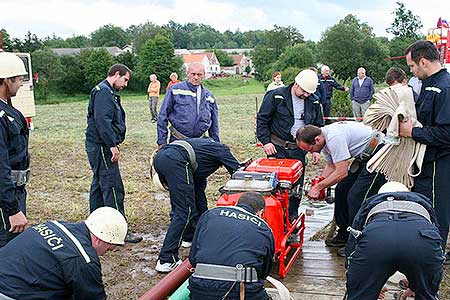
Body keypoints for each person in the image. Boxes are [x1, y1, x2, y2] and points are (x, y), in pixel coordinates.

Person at [151, 138, 241, 272]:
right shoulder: (222, 150)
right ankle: (166, 259)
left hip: (162, 157)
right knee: (184, 211)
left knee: (198, 203)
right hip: (176, 161)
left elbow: (199, 190)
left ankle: (190, 237)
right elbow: (239, 173)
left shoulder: (203, 149)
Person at [296, 122, 386, 255]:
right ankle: (344, 233)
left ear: (317, 139)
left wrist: (320, 186)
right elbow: (332, 167)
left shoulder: (334, 138)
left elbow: (342, 172)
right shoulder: (324, 141)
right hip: (364, 156)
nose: (311, 153)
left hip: (380, 153)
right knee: (341, 190)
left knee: (356, 197)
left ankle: (357, 243)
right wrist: (318, 183)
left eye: (310, 149)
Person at [0, 207, 128, 300]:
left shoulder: (54, 225)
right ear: (101, 239)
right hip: (11, 294)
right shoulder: (84, 259)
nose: (105, 253)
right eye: (109, 247)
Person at [345, 182, 444, 300]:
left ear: (380, 195)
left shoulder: (370, 204)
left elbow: (352, 245)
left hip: (376, 240)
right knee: (427, 295)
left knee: (359, 295)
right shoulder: (424, 204)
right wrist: (418, 284)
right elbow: (436, 239)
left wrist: (369, 282)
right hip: (421, 241)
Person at [399, 40, 450, 263]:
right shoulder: (430, 85)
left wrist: (412, 132)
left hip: (439, 164)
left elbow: (446, 134)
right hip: (426, 164)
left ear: (423, 62)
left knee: (436, 220)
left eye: (412, 66)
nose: (411, 71)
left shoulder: (445, 88)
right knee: (422, 216)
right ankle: (419, 271)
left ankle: (429, 278)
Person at [85, 63, 141, 243]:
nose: (125, 84)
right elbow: (103, 121)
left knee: (99, 186)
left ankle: (94, 227)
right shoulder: (103, 93)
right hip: (102, 146)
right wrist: (112, 145)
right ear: (116, 74)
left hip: (99, 145)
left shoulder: (105, 91)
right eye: (124, 79)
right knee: (113, 188)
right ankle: (119, 230)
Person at [257, 69, 323, 222]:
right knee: (276, 185)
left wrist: (316, 149)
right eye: (304, 91)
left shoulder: (314, 101)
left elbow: (318, 126)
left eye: (309, 93)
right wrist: (265, 141)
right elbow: (262, 119)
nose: (306, 95)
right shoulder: (276, 96)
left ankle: (291, 216)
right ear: (296, 83)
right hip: (277, 147)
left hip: (299, 150)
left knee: (296, 187)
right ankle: (275, 216)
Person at [188, 192, 275, 300]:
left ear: (236, 204)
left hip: (199, 288)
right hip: (240, 291)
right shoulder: (263, 228)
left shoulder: (209, 215)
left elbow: (192, 258)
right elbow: (264, 272)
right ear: (260, 212)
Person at [0, 52, 30, 248]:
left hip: (14, 190)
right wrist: (12, 209)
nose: (21, 84)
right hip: (5, 199)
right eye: (19, 79)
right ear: (6, 80)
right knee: (8, 249)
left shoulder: (9, 111)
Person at [157, 62, 219, 147]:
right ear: (188, 74)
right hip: (178, 141)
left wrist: (216, 144)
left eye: (199, 74)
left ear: (204, 75)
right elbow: (163, 115)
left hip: (200, 142)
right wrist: (162, 141)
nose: (196, 77)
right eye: (193, 74)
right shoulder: (175, 90)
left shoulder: (209, 97)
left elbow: (214, 123)